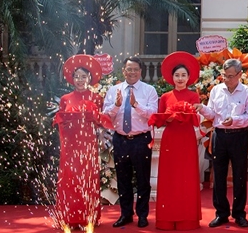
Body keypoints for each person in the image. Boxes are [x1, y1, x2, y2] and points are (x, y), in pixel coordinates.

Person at [195, 58, 248, 228]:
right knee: (218, 176)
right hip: (219, 136)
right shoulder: (216, 90)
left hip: (239, 136)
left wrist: (234, 120)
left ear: (239, 75)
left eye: (230, 76)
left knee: (240, 176)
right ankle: (221, 213)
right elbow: (213, 114)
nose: (227, 79)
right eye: (224, 75)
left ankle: (239, 213)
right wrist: (203, 109)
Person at [103, 56, 158, 228]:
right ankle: (126, 214)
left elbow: (153, 115)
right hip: (120, 139)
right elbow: (105, 115)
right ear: (123, 71)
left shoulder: (149, 90)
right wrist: (117, 105)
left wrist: (136, 105)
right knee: (123, 179)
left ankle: (142, 215)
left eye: (135, 69)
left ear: (140, 71)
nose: (132, 72)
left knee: (143, 179)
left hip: (141, 140)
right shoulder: (114, 90)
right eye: (129, 69)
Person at [150, 52, 202, 230]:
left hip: (186, 138)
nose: (180, 78)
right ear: (171, 77)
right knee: (169, 178)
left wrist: (186, 114)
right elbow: (160, 119)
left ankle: (187, 219)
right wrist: (167, 119)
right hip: (170, 139)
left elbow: (195, 119)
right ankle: (166, 218)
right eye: (177, 75)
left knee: (186, 177)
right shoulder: (165, 97)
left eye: (183, 75)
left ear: (189, 77)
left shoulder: (194, 96)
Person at [53, 55, 105, 231]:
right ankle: (69, 216)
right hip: (70, 145)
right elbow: (60, 119)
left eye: (84, 76)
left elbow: (101, 121)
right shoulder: (65, 98)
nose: (80, 80)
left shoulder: (96, 97)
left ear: (89, 78)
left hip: (88, 144)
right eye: (77, 77)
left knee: (87, 179)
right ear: (72, 79)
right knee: (70, 179)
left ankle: (87, 217)